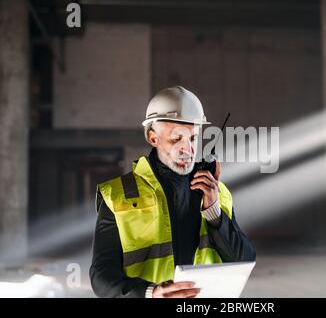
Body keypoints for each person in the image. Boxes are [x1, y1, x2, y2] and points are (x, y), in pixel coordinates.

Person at [89, 86, 256, 298]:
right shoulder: (118, 195)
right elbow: (101, 276)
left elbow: (244, 260)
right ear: (153, 138)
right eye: (176, 139)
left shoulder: (216, 192)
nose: (188, 149)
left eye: (193, 138)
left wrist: (213, 211)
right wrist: (151, 293)